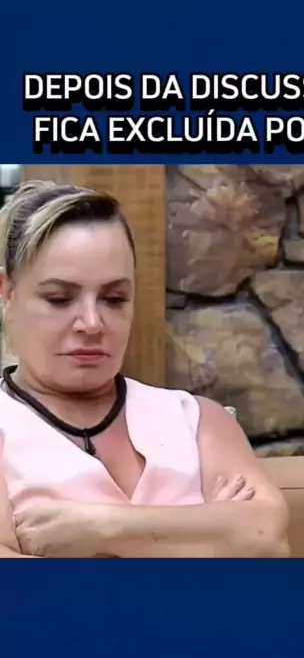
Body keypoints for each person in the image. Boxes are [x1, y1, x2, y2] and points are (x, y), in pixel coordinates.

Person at [0, 180, 289, 558]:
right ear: (7, 294)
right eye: (59, 299)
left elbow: (267, 540)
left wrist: (99, 529)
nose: (92, 323)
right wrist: (211, 531)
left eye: (114, 298)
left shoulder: (196, 420)